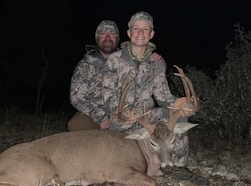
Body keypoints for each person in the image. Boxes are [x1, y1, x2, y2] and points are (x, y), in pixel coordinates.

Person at [102, 11, 194, 168]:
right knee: (123, 160)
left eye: (145, 29)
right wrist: (121, 111)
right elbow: (108, 93)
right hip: (123, 119)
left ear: (151, 34)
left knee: (178, 117)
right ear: (129, 33)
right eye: (136, 28)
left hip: (148, 116)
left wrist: (180, 104)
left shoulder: (157, 63)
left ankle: (179, 167)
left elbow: (162, 95)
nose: (140, 33)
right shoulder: (114, 60)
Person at [68, 20, 161, 131]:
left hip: (124, 113)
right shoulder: (85, 65)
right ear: (97, 39)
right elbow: (76, 97)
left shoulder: (129, 61)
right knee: (77, 124)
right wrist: (100, 115)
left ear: (117, 39)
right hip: (96, 114)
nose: (108, 38)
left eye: (112, 34)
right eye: (103, 34)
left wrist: (151, 58)